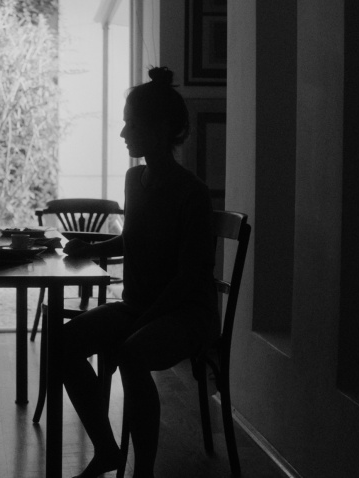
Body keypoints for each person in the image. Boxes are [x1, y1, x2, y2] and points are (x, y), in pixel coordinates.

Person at [62, 66, 219, 478]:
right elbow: (133, 238)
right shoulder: (135, 179)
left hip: (188, 314)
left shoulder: (192, 193)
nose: (123, 133)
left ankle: (143, 473)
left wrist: (141, 322)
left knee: (132, 352)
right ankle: (108, 451)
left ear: (161, 128)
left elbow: (189, 277)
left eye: (131, 124)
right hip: (142, 307)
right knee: (63, 342)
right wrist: (91, 248)